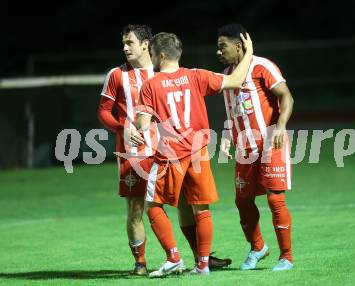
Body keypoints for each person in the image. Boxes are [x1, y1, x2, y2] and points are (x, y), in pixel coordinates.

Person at [97, 25, 230, 275]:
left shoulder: (165, 70)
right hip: (134, 153)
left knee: (184, 204)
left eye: (130, 43)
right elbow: (103, 111)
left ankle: (199, 258)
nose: (125, 48)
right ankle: (140, 263)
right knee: (137, 208)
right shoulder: (116, 75)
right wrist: (121, 128)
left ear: (147, 45)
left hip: (170, 151)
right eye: (123, 43)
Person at [136, 31, 253, 277]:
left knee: (153, 206)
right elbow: (235, 80)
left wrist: (136, 125)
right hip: (198, 152)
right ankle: (202, 265)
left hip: (170, 155)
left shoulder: (151, 84)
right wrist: (249, 51)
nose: (151, 59)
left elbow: (143, 123)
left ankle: (174, 258)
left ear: (162, 55)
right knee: (202, 209)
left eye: (152, 54)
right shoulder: (196, 75)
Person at [216, 23, 295, 271]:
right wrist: (228, 135)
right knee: (243, 201)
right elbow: (233, 110)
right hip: (245, 148)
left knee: (275, 199)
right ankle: (258, 247)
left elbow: (286, 95)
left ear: (238, 46)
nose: (218, 52)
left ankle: (286, 257)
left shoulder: (262, 66)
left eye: (222, 47)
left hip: (271, 142)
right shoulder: (229, 76)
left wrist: (281, 125)